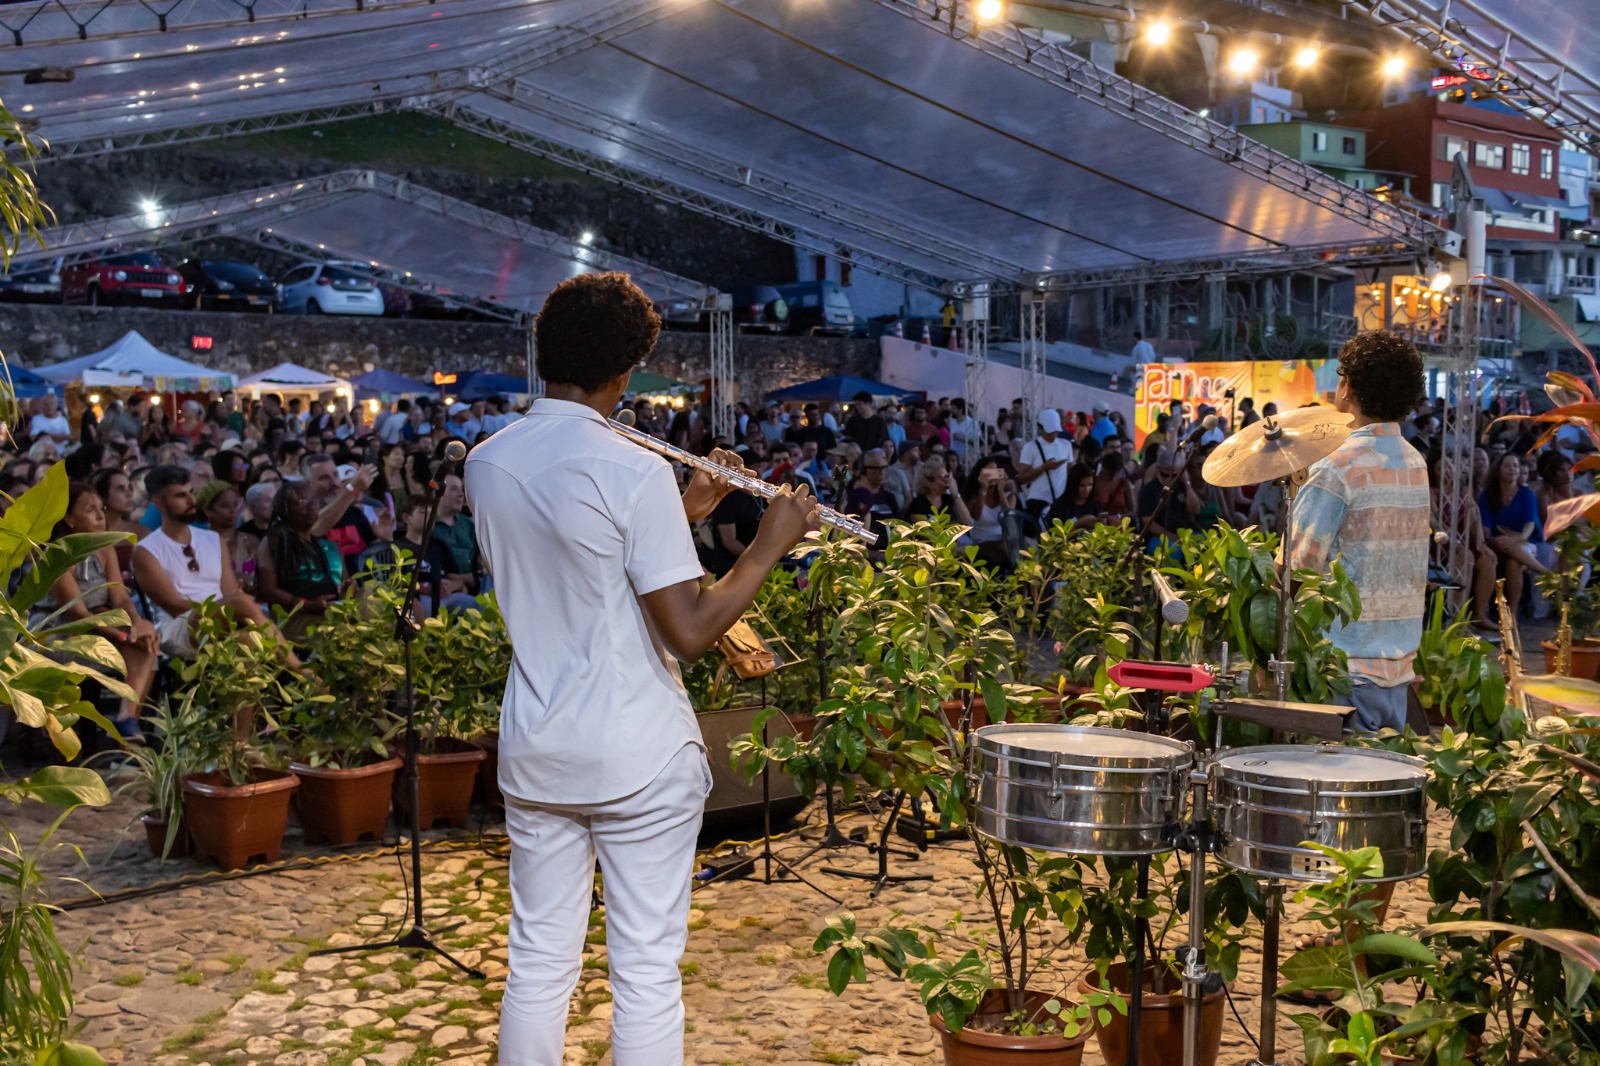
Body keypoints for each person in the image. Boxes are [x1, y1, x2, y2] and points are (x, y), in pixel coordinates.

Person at [464, 271, 818, 1066]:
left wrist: (683, 511)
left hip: (538, 744)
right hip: (635, 751)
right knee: (646, 974)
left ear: (543, 352)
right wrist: (770, 542)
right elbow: (690, 629)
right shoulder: (629, 469)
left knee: (539, 966)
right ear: (627, 374)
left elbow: (576, 553)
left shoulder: (486, 463)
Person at [1290, 331, 1430, 733]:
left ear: (1348, 386)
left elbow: (1298, 569)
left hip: (1344, 670)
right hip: (1398, 669)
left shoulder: (1338, 467)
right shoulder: (1414, 461)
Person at [34, 482, 159, 738]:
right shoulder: (59, 553)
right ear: (69, 518)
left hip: (98, 628)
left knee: (147, 645)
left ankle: (126, 719)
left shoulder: (105, 547)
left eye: (100, 507)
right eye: (90, 509)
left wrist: (136, 623)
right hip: (56, 634)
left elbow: (121, 597)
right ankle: (124, 726)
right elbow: (76, 613)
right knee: (135, 646)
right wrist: (122, 635)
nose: (101, 515)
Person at [130, 465, 287, 659]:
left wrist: (230, 605)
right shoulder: (146, 550)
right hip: (180, 626)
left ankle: (290, 680)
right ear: (160, 503)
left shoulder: (213, 539)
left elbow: (229, 592)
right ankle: (302, 673)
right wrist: (227, 605)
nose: (191, 500)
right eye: (181, 496)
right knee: (243, 605)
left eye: (191, 492)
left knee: (247, 639)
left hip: (225, 618)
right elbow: (175, 605)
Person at [256, 479, 345, 640]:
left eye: (315, 501)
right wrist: (307, 605)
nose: (312, 506)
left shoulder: (320, 544)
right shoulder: (274, 540)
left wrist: (347, 588)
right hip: (294, 618)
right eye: (304, 501)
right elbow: (267, 590)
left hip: (329, 609)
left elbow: (339, 584)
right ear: (286, 508)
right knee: (345, 626)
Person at [1479, 452, 1553, 621]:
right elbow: (1487, 529)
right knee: (1501, 542)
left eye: (1515, 466)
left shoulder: (1527, 494)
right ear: (1498, 470)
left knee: (1514, 563)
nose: (1512, 469)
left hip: (1524, 543)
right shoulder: (1488, 495)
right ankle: (1545, 573)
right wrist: (1501, 538)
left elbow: (1529, 525)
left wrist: (1518, 539)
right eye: (1507, 465)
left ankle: (1510, 613)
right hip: (1496, 542)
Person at [1015, 409, 1073, 520]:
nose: (1054, 434)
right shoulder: (1030, 447)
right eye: (1050, 431)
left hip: (1060, 501)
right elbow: (1021, 478)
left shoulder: (1066, 445)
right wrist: (1043, 468)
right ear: (1040, 428)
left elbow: (1070, 471)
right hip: (1038, 500)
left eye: (1056, 431)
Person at [904, 459, 975, 524]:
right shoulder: (918, 504)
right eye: (942, 478)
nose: (946, 482)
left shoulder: (948, 500)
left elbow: (967, 521)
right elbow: (926, 534)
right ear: (928, 481)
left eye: (947, 477)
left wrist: (956, 494)